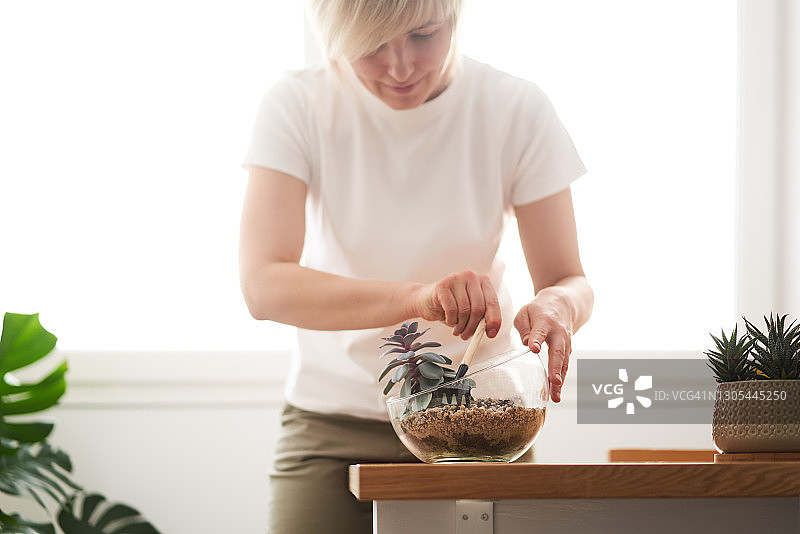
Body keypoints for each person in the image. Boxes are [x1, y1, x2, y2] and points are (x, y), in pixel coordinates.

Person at [239, 1, 593, 532]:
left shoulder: (514, 107)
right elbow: (264, 285)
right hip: (332, 424)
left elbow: (568, 278)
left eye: (424, 35)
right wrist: (420, 299)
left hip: (483, 424)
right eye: (371, 45)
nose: (400, 67)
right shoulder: (298, 104)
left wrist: (558, 304)